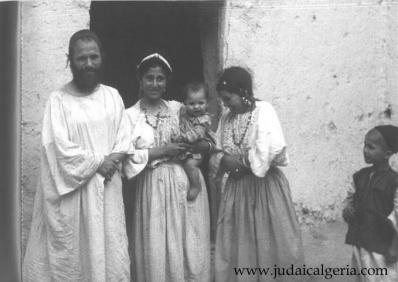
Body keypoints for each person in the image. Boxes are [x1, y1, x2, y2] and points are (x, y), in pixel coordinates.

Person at [22, 30, 131, 282]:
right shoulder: (57, 101)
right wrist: (97, 162)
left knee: (108, 256)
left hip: (106, 190)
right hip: (71, 196)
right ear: (69, 59)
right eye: (82, 58)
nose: (89, 64)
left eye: (94, 57)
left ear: (102, 57)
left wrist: (111, 160)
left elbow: (123, 138)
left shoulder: (112, 96)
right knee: (71, 261)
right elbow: (57, 147)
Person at [210, 66, 304, 282]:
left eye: (228, 98)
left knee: (269, 242)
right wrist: (224, 159)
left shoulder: (264, 111)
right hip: (237, 191)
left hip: (264, 189)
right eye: (223, 100)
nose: (226, 104)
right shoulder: (227, 117)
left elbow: (268, 150)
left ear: (243, 92)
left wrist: (239, 162)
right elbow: (217, 148)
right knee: (241, 245)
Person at [123, 53, 211, 282]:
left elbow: (207, 137)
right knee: (157, 244)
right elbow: (126, 157)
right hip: (152, 187)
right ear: (140, 80)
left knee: (187, 244)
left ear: (166, 82)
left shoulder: (179, 108)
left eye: (160, 78)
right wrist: (162, 151)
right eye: (149, 78)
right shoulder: (130, 116)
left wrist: (200, 145)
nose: (155, 83)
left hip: (184, 184)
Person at [343, 125, 398, 282]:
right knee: (361, 276)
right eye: (365, 145)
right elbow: (349, 201)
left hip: (381, 246)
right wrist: (348, 210)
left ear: (387, 154)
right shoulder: (359, 176)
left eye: (371, 147)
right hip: (361, 241)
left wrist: (395, 247)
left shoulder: (394, 182)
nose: (365, 150)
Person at [177, 81, 215, 201]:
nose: (197, 106)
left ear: (207, 103)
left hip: (197, 150)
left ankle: (195, 186)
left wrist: (185, 137)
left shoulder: (203, 119)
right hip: (188, 149)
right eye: (192, 103)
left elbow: (197, 133)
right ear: (185, 104)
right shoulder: (184, 115)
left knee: (190, 165)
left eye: (201, 103)